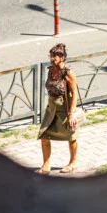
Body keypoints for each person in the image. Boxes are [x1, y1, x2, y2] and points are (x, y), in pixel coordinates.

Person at [37, 43, 80, 174]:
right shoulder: (51, 70)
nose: (52, 59)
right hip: (51, 108)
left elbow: (74, 94)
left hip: (64, 108)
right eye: (51, 56)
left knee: (71, 135)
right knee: (44, 136)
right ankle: (46, 165)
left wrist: (71, 113)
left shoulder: (68, 73)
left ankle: (72, 163)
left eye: (54, 56)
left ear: (62, 58)